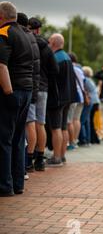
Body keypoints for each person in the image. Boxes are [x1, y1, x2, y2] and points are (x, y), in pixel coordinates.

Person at [0, 1, 34, 196]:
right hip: (27, 91)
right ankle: (18, 183)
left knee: (4, 139)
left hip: (12, 91)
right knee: (19, 138)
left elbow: (2, 66)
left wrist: (7, 91)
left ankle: (5, 185)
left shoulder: (4, 33)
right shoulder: (25, 34)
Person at [28, 17, 59, 171]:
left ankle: (28, 158)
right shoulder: (46, 47)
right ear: (39, 29)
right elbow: (55, 70)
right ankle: (40, 159)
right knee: (41, 123)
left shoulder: (27, 42)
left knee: (30, 123)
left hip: (30, 86)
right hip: (44, 88)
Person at [47, 33, 78, 166]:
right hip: (68, 98)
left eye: (49, 41)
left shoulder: (55, 58)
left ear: (53, 43)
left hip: (58, 99)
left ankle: (56, 157)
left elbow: (52, 79)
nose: (48, 44)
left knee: (56, 128)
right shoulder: (67, 57)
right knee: (63, 127)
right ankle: (62, 156)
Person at [16, 13, 40, 178]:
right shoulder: (34, 41)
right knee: (27, 125)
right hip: (30, 86)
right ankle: (27, 162)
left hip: (19, 86)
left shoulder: (18, 38)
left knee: (25, 125)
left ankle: (26, 162)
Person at [67, 52, 85, 149]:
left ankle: (71, 141)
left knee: (70, 120)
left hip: (73, 96)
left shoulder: (70, 68)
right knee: (77, 119)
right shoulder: (79, 69)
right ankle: (75, 140)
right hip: (81, 96)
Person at [79, 66, 99, 146]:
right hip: (95, 101)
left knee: (83, 120)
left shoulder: (86, 80)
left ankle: (84, 139)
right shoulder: (91, 80)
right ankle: (89, 139)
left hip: (90, 101)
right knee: (88, 121)